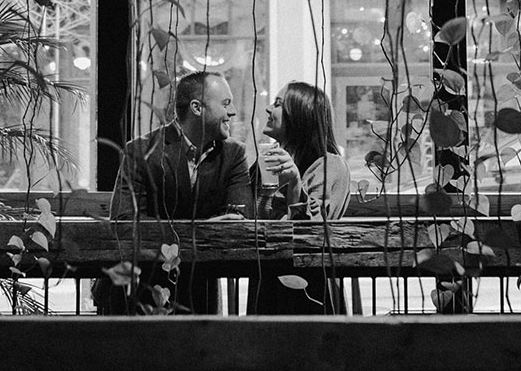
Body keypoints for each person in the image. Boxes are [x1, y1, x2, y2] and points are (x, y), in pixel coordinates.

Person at [101, 69, 251, 314]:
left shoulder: (234, 154)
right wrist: (201, 229)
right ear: (196, 107)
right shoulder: (141, 151)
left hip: (199, 291)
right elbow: (125, 223)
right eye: (225, 103)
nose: (232, 111)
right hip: (141, 289)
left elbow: (240, 222)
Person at [251, 81, 352, 314]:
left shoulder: (330, 166)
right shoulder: (266, 164)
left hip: (312, 285)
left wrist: (295, 183)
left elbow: (312, 235)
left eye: (277, 104)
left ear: (300, 115)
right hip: (267, 279)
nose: (268, 108)